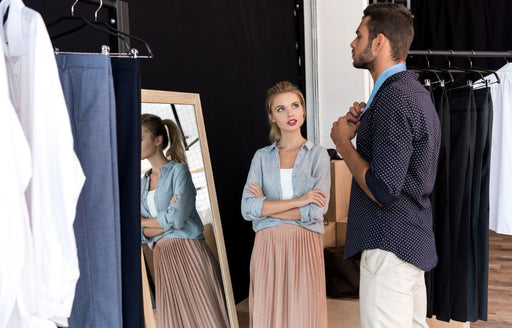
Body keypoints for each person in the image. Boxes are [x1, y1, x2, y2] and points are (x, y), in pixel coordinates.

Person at [330, 3, 441, 327]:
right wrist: (366, 123)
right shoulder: (413, 93)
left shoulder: (394, 97)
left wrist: (343, 145)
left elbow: (384, 189)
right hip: (409, 244)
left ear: (379, 42)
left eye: (358, 34)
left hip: (389, 245)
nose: (352, 43)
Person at [241, 81, 330, 328]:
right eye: (280, 109)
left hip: (305, 245)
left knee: (304, 315)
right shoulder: (261, 157)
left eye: (294, 105)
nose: (290, 113)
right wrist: (300, 201)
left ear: (303, 110)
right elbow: (247, 209)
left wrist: (267, 208)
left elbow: (316, 211)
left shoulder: (318, 155)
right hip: (267, 247)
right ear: (271, 117)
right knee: (269, 316)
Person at [140, 113, 229, 328]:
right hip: (162, 258)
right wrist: (163, 221)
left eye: (140, 137)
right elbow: (140, 233)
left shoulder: (178, 171)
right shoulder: (141, 184)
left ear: (157, 140)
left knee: (204, 317)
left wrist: (143, 222)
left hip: (189, 252)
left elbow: (178, 218)